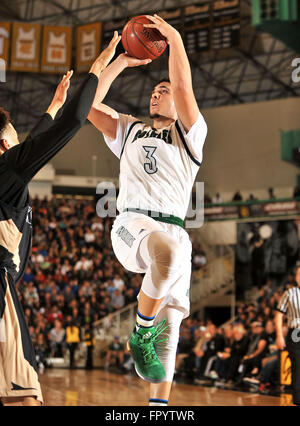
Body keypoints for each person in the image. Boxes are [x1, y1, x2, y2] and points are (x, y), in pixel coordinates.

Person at [88, 14, 207, 406]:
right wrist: (120, 61)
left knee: (170, 334)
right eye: (154, 90)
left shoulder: (192, 135)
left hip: (175, 230)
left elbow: (185, 85)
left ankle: (158, 409)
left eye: (164, 89)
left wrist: (173, 39)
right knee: (166, 256)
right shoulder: (131, 129)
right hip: (132, 223)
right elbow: (86, 104)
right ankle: (139, 332)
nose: (157, 93)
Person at [0, 33, 121, 406]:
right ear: (5, 146)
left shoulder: (7, 169)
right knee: (23, 396)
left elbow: (36, 139)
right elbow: (72, 123)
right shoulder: (8, 167)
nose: (21, 142)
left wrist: (52, 106)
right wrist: (100, 69)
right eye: (14, 139)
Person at [275, 265, 300, 406]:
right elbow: (279, 314)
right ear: (296, 277)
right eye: (298, 274)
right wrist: (279, 335)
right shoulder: (290, 293)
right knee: (298, 366)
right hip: (296, 332)